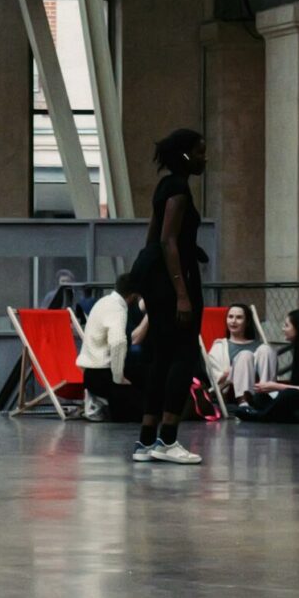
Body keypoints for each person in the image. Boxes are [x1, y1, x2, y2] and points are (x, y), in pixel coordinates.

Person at [128, 128, 209, 465]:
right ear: (186, 155)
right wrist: (182, 294)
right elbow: (167, 240)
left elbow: (152, 237)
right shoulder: (178, 189)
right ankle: (168, 439)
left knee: (161, 357)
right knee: (183, 356)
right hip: (176, 280)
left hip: (158, 281)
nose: (205, 158)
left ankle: (146, 441)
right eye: (200, 152)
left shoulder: (164, 186)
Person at [77, 274, 145, 423]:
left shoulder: (104, 302)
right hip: (102, 375)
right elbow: (118, 342)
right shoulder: (117, 310)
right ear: (133, 296)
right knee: (142, 412)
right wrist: (119, 378)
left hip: (90, 372)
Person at [206, 302, 274, 405]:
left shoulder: (260, 347)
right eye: (230, 317)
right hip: (230, 390)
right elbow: (216, 377)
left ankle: (266, 394)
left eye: (239, 317)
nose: (233, 321)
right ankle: (244, 402)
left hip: (259, 388)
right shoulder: (220, 346)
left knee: (267, 349)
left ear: (247, 322)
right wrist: (232, 371)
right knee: (245, 355)